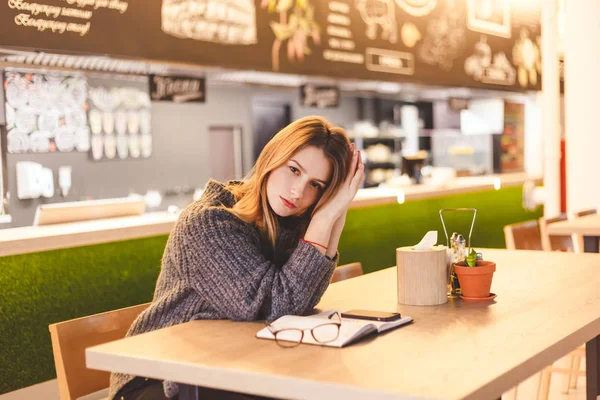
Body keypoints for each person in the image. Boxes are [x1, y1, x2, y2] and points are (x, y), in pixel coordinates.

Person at [110, 116, 364, 399]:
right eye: (294, 170)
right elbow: (281, 304)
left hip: (222, 364)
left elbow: (305, 298)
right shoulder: (209, 222)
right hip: (156, 379)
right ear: (272, 157)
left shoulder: (287, 223)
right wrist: (327, 215)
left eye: (316, 185)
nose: (298, 191)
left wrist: (335, 211)